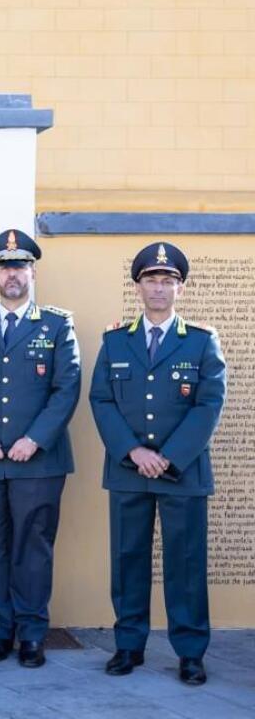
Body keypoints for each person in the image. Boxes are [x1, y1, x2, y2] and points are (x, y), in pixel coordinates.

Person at [89, 241, 225, 687]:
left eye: (168, 281)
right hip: (129, 470)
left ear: (179, 289)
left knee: (185, 564)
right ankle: (129, 645)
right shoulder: (115, 341)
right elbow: (102, 398)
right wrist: (134, 452)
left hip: (182, 472)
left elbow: (209, 404)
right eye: (152, 280)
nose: (160, 288)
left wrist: (167, 456)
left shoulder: (203, 342)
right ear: (138, 286)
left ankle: (189, 652)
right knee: (128, 559)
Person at [0, 230, 80, 668]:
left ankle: (32, 635)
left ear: (32, 272)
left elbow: (66, 389)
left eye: (19, 267)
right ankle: (0, 632)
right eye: (4, 267)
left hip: (38, 462)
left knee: (33, 549)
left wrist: (34, 439)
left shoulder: (57, 325)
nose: (12, 274)